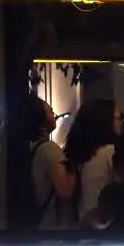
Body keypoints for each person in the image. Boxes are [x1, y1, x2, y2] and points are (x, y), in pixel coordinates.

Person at [64, 98, 122, 222]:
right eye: (117, 119)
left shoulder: (85, 154)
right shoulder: (110, 152)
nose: (120, 123)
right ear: (105, 122)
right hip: (101, 223)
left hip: (84, 222)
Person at [27, 96, 74, 229]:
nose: (53, 113)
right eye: (49, 111)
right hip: (51, 227)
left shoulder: (32, 148)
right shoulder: (50, 149)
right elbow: (65, 190)